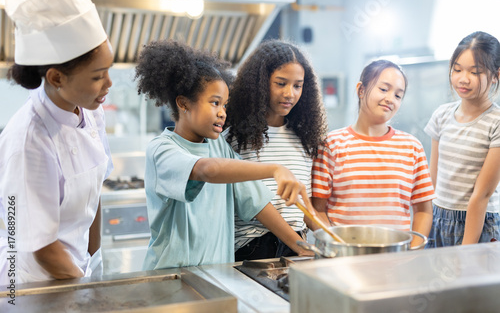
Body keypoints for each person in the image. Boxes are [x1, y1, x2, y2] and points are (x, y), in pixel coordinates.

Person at [135, 40, 313, 270]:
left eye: (225, 105)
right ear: (183, 104)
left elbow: (256, 201)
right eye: (215, 103)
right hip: (171, 276)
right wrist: (275, 169)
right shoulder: (162, 150)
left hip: (217, 276)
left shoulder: (220, 147)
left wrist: (301, 246)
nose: (222, 113)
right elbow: (206, 170)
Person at [0, 0, 114, 284]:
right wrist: (84, 290)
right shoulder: (28, 140)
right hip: (33, 286)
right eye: (98, 76)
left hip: (77, 271)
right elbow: (42, 247)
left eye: (109, 71)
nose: (109, 84)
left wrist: (94, 257)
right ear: (56, 77)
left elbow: (96, 190)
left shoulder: (91, 111)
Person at [310, 60, 435, 245]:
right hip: (344, 259)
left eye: (398, 95)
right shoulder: (331, 144)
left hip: (394, 260)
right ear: (361, 90)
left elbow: (423, 211)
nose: (390, 98)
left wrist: (413, 252)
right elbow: (316, 209)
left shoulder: (412, 147)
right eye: (384, 89)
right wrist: (337, 245)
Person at [224, 40, 327, 261]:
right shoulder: (235, 139)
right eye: (281, 83)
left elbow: (303, 207)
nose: (290, 93)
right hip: (254, 246)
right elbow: (256, 205)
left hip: (297, 244)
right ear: (259, 84)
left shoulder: (305, 140)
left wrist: (335, 240)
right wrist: (299, 245)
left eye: (297, 85)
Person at [425, 31, 500, 247]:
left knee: (471, 280)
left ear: (496, 75)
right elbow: (433, 176)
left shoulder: (496, 122)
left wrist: (467, 250)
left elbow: (482, 194)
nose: (463, 78)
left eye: (475, 72)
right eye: (457, 69)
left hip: (478, 221)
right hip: (439, 216)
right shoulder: (441, 115)